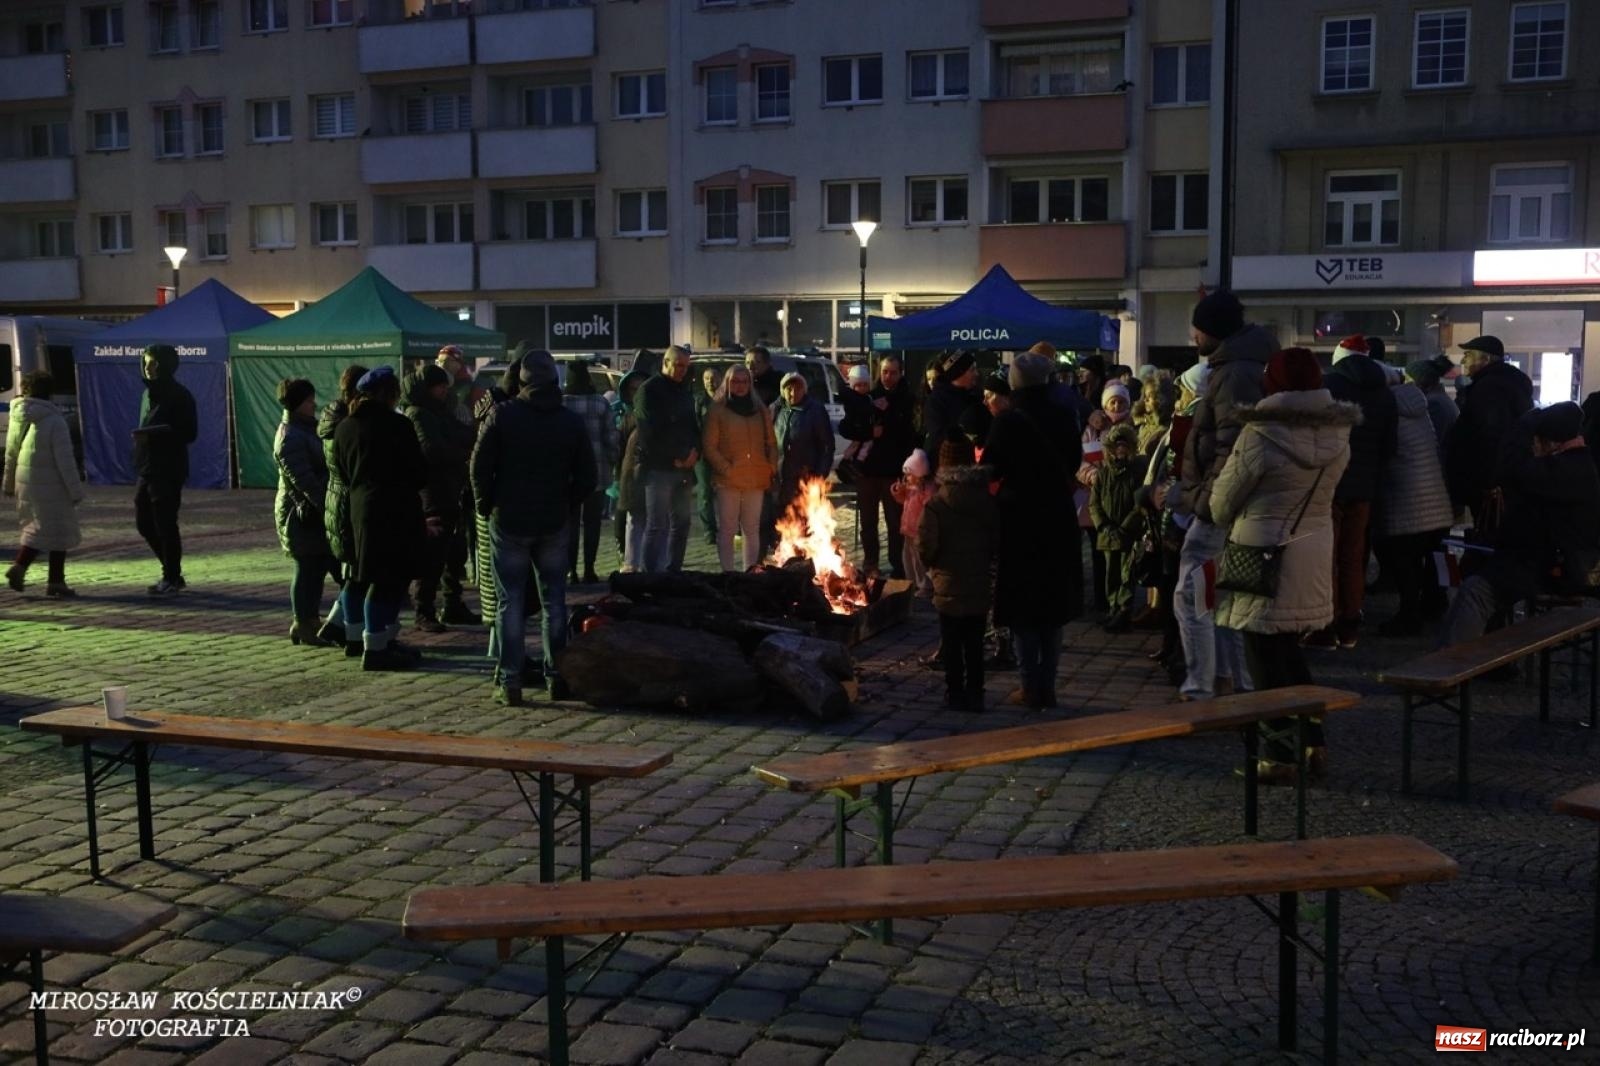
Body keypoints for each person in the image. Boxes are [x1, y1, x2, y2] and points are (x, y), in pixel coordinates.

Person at [1210, 348, 1355, 782]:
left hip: (1263, 554)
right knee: (1289, 652)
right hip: (1312, 547)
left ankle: (1278, 756)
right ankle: (1313, 743)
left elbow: (1221, 504)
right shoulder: (1339, 432)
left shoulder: (1261, 433)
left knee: (1264, 657)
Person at [472, 350, 596, 706]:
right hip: (553, 519)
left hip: (509, 518)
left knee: (509, 602)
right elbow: (587, 476)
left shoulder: (503, 415)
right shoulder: (569, 421)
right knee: (554, 601)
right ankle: (556, 676)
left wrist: (486, 504)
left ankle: (510, 680)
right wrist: (567, 503)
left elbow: (479, 467)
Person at [1175, 290, 1271, 700]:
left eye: (1198, 328)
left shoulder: (1234, 374)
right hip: (1227, 504)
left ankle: (1202, 686)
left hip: (1219, 507)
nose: (1193, 336)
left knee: (1192, 595)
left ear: (1213, 329)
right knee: (1223, 598)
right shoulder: (1238, 367)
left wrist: (1207, 502)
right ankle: (1231, 681)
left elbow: (1230, 446)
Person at [1441, 402, 1600, 646]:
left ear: (1550, 443)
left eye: (1536, 442)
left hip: (1554, 568)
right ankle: (1482, 653)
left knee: (1475, 591)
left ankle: (1451, 662)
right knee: (1480, 577)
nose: (1533, 448)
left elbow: (1511, 470)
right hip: (1554, 560)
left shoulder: (1563, 469)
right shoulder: (1577, 465)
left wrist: (1522, 428)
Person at [983, 351, 1082, 709]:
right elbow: (1074, 461)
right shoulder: (1063, 415)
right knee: (1052, 608)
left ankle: (1029, 686)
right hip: (1057, 515)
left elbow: (992, 467)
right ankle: (1048, 685)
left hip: (1020, 518)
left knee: (1024, 606)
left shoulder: (1008, 421)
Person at [333, 366, 429, 671]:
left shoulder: (345, 427)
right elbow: (418, 472)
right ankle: (377, 646)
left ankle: (357, 638)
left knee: (362, 576)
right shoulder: (397, 425)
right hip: (395, 509)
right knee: (388, 580)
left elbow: (341, 472)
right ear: (389, 394)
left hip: (359, 509)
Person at [1306, 334, 1397, 650]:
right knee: (1354, 556)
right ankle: (1350, 625)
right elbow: (1390, 447)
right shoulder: (1385, 393)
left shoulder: (1327, 388)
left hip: (1330, 484)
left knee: (1326, 557)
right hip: (1365, 488)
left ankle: (1325, 625)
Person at [1372, 367, 1455, 637]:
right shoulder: (1419, 406)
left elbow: (1385, 452)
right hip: (1435, 495)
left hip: (1407, 498)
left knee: (1405, 561)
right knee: (1435, 555)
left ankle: (1409, 616)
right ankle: (1437, 603)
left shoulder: (1387, 409)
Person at [919, 439, 996, 712]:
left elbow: (926, 545)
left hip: (947, 582)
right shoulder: (986, 501)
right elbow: (996, 539)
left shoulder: (936, 505)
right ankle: (976, 692)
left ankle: (954, 693)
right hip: (978, 581)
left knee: (951, 642)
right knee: (975, 642)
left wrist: (932, 566)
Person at [404, 363, 476, 632]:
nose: (444, 390)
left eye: (445, 385)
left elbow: (462, 432)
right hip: (431, 491)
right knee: (432, 554)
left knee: (454, 551)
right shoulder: (418, 413)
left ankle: (452, 603)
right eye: (439, 386)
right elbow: (431, 450)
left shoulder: (440, 411)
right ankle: (424, 609)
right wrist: (462, 454)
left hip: (450, 487)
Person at [3, 371, 83, 597]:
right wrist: (75, 491)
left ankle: (44, 576)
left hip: (26, 482)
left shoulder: (19, 416)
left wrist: (8, 483)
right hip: (52, 483)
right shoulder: (55, 421)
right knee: (59, 529)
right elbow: (65, 460)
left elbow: (11, 452)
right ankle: (44, 576)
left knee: (37, 527)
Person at [1444, 335, 1532, 537]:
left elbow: (1490, 436)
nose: (1464, 360)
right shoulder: (1508, 384)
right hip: (1504, 479)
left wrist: (1489, 482)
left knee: (1489, 532)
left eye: (1469, 355)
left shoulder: (1489, 388)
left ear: (1486, 359)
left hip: (1489, 484)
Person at [273, 378, 340, 645]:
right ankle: (303, 622)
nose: (314, 404)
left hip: (311, 511)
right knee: (307, 567)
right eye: (309, 400)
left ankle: (309, 621)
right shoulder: (290, 436)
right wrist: (326, 505)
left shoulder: (307, 428)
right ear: (297, 403)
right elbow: (304, 480)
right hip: (300, 514)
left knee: (317, 566)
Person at [840, 356, 917, 578]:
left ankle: (897, 564)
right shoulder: (868, 396)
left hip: (894, 470)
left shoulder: (908, 399)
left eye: (893, 372)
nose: (888, 376)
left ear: (900, 373)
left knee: (895, 523)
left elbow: (910, 435)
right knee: (868, 522)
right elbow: (846, 427)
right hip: (868, 471)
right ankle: (870, 562)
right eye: (885, 371)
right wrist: (868, 431)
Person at [132, 343, 197, 595]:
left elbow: (190, 433)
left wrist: (159, 435)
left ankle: (171, 576)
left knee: (165, 522)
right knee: (144, 522)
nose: (148, 368)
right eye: (145, 362)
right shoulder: (146, 395)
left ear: (165, 365)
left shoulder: (180, 395)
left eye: (153, 363)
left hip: (169, 467)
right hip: (147, 466)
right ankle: (171, 571)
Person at [702, 364, 778, 572]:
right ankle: (728, 572)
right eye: (735, 381)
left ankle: (749, 571)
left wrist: (770, 467)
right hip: (729, 479)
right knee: (727, 529)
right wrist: (726, 469)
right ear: (727, 383)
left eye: (744, 381)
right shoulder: (717, 410)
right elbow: (709, 446)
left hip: (756, 477)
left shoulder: (759, 410)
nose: (740, 386)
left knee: (751, 528)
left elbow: (771, 442)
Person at [430, 344, 483, 625]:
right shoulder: (432, 402)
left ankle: (454, 593)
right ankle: (437, 602)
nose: (444, 364)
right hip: (446, 476)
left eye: (448, 361)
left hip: (460, 471)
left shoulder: (469, 390)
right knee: (447, 539)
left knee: (460, 536)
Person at [634, 346, 699, 573]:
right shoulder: (649, 390)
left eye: (686, 366)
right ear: (666, 362)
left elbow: (693, 426)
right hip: (658, 469)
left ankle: (673, 571)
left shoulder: (684, 391)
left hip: (683, 468)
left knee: (681, 524)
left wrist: (694, 452)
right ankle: (650, 575)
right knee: (657, 525)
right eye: (679, 365)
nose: (683, 370)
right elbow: (649, 434)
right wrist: (676, 457)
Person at [319, 364, 367, 654]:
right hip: (349, 503)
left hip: (337, 500)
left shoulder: (333, 417)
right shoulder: (348, 422)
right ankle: (352, 635)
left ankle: (337, 625)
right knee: (357, 575)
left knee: (354, 572)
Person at [564, 362, 620, 585]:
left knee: (570, 524)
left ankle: (571, 570)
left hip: (568, 475)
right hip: (597, 472)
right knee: (592, 523)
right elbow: (611, 437)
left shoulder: (561, 403)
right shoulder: (600, 403)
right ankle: (589, 568)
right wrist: (612, 460)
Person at [1089, 421, 1147, 633]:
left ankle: (1124, 609)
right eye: (1117, 446)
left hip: (1127, 533)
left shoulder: (1135, 472)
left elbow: (1139, 504)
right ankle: (1113, 607)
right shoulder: (1103, 473)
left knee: (1126, 573)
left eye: (1124, 446)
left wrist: (1126, 527)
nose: (1120, 450)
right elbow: (1094, 503)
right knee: (1110, 573)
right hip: (1107, 533)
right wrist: (1103, 525)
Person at [773, 371, 834, 517]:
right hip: (781, 478)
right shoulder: (776, 409)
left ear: (804, 390)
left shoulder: (815, 410)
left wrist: (819, 475)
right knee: (781, 521)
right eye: (789, 389)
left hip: (805, 477)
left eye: (798, 389)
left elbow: (827, 446)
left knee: (803, 520)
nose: (793, 393)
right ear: (782, 390)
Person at [922, 351, 981, 473]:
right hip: (947, 470)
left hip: (972, 468)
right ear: (959, 373)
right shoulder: (936, 401)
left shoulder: (975, 396)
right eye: (972, 370)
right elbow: (938, 436)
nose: (976, 374)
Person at [891, 449, 934, 596]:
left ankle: (925, 585)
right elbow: (902, 501)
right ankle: (912, 581)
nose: (906, 478)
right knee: (907, 558)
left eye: (909, 474)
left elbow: (928, 510)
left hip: (919, 531)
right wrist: (898, 491)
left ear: (919, 474)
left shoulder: (926, 491)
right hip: (908, 530)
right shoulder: (911, 489)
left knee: (919, 560)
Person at [1406, 355, 1459, 457]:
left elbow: (1429, 440)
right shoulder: (1439, 399)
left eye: (1408, 380)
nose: (1405, 384)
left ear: (1421, 381)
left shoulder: (1434, 404)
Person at [694, 365, 723, 547]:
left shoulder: (727, 400)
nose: (710, 382)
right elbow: (694, 427)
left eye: (713, 378)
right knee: (705, 493)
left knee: (727, 492)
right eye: (706, 379)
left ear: (720, 380)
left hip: (724, 454)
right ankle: (709, 531)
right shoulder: (698, 401)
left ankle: (732, 527)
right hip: (704, 454)